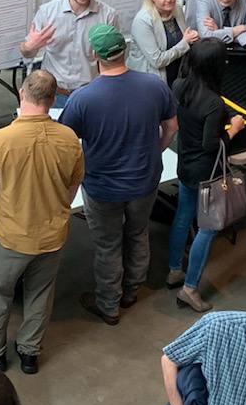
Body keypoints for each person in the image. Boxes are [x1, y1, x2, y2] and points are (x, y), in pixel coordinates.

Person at [0, 70, 84, 374]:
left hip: (10, 237)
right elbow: (74, 184)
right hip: (51, 236)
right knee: (40, 296)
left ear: (22, 94)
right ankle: (30, 353)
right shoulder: (69, 138)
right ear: (53, 98)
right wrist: (59, 210)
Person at [61, 24, 177, 326]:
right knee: (138, 233)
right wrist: (155, 151)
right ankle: (131, 291)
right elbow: (172, 127)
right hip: (145, 181)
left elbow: (65, 141)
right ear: (124, 50)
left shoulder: (83, 98)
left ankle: (108, 305)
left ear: (93, 54)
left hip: (103, 187)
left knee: (108, 245)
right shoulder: (154, 86)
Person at [167, 39, 246, 313]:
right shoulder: (213, 102)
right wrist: (235, 128)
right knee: (208, 227)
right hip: (207, 173)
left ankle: (174, 269)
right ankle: (190, 288)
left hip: (185, 165)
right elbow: (211, 145)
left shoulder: (180, 86)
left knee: (182, 216)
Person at [20, 0, 120, 100]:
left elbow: (114, 61)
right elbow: (26, 53)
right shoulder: (48, 12)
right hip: (53, 93)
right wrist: (30, 46)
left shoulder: (108, 16)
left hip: (90, 93)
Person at [129, 0, 198, 82]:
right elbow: (157, 61)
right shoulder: (143, 20)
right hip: (149, 81)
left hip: (175, 75)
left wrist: (192, 36)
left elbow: (184, 36)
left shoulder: (177, 9)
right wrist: (185, 43)